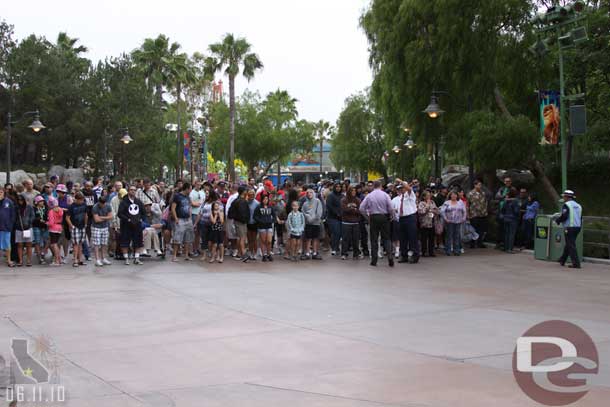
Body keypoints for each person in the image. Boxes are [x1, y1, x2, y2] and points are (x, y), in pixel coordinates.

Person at [359, 181, 394, 267]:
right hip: (384, 217)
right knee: (386, 238)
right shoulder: (385, 195)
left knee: (374, 239)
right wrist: (391, 215)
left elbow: (361, 208)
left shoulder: (369, 196)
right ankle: (390, 257)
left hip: (373, 217)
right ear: (381, 186)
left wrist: (367, 217)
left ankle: (374, 260)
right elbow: (391, 207)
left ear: (373, 186)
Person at [117, 185, 146, 265]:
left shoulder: (138, 202)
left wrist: (141, 219)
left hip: (137, 225)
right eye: (131, 190)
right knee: (125, 242)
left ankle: (137, 258)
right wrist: (127, 219)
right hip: (126, 226)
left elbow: (143, 213)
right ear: (128, 191)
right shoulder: (124, 202)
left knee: (138, 242)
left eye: (134, 190)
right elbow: (120, 214)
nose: (133, 191)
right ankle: (126, 258)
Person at [393, 181, 419, 264]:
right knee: (402, 238)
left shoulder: (411, 194)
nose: (401, 189)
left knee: (412, 238)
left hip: (410, 218)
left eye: (402, 187)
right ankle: (404, 255)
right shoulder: (400, 197)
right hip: (402, 218)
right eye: (400, 188)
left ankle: (415, 255)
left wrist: (401, 181)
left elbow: (408, 188)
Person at [555, 190, 582, 269]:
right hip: (577, 227)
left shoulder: (566, 205)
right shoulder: (578, 205)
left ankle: (576, 264)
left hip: (569, 228)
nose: (563, 197)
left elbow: (564, 216)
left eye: (564, 196)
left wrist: (558, 220)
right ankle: (562, 260)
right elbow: (580, 217)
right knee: (569, 243)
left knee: (571, 245)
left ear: (567, 197)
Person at [171, 182, 194, 262]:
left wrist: (190, 217)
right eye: (190, 189)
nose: (191, 190)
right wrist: (176, 218)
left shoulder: (188, 197)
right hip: (180, 219)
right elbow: (173, 208)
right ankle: (174, 255)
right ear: (187, 188)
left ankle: (186, 255)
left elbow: (190, 206)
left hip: (188, 219)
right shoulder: (177, 196)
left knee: (188, 238)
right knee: (177, 237)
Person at [440, 191, 467, 256]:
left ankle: (456, 250)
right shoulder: (447, 203)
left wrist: (463, 218)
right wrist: (445, 218)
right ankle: (448, 250)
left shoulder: (460, 203)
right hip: (449, 222)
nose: (454, 196)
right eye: (452, 195)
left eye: (455, 195)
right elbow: (442, 211)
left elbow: (464, 211)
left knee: (457, 236)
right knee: (449, 236)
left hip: (458, 222)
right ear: (450, 196)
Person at [66, 192, 88, 267]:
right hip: (75, 226)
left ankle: (80, 259)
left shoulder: (84, 205)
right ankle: (75, 259)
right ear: (76, 199)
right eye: (80, 200)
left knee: (81, 243)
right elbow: (67, 218)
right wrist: (71, 226)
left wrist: (85, 224)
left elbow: (85, 215)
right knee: (75, 244)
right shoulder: (72, 206)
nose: (82, 201)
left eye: (82, 200)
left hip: (82, 226)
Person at [301, 188, 324, 260]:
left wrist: (313, 218)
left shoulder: (317, 201)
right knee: (308, 238)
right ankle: (307, 253)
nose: (309, 194)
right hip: (308, 223)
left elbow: (319, 212)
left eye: (311, 192)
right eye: (307, 193)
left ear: (313, 193)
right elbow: (303, 212)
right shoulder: (305, 203)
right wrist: (307, 217)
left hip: (316, 223)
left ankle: (315, 253)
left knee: (315, 238)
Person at [229, 186, 250, 261]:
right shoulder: (240, 201)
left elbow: (230, 212)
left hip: (240, 221)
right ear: (243, 192)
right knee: (242, 237)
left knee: (241, 237)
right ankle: (243, 254)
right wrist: (243, 219)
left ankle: (239, 254)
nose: (246, 191)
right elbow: (242, 213)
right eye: (245, 190)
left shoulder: (238, 200)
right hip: (240, 222)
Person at [91, 196, 113, 267]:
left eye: (104, 203)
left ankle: (104, 258)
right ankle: (97, 259)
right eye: (101, 203)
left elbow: (111, 217)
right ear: (99, 202)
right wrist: (106, 218)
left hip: (105, 227)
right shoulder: (95, 207)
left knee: (104, 243)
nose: (103, 205)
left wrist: (101, 217)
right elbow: (96, 220)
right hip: (96, 227)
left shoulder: (108, 206)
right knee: (96, 244)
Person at [340, 186, 361, 260]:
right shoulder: (344, 200)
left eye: (355, 191)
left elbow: (360, 210)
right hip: (346, 222)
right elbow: (345, 209)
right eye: (352, 191)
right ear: (349, 191)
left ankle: (356, 254)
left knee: (356, 239)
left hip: (355, 223)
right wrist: (354, 210)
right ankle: (344, 254)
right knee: (345, 239)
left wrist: (352, 210)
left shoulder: (358, 200)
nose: (353, 192)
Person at [417, 190, 440, 257]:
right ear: (424, 197)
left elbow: (437, 210)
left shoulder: (432, 202)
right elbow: (421, 212)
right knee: (424, 238)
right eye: (427, 195)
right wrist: (427, 206)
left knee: (431, 238)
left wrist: (434, 211)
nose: (429, 196)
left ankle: (431, 251)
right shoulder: (421, 203)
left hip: (432, 222)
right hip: (424, 223)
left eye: (429, 195)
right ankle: (424, 251)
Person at [14, 194, 35, 267]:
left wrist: (29, 222)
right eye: (19, 200)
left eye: (22, 200)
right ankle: (20, 260)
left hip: (28, 228)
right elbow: (14, 217)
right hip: (19, 228)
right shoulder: (16, 208)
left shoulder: (29, 207)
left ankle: (29, 260)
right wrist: (16, 224)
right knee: (20, 245)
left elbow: (32, 216)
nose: (20, 201)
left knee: (29, 244)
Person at [467, 180, 488, 249]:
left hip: (482, 213)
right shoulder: (470, 193)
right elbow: (468, 204)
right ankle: (472, 243)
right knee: (473, 229)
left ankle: (480, 242)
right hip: (474, 213)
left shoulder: (483, 193)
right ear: (475, 185)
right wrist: (468, 213)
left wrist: (485, 211)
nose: (480, 186)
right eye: (478, 185)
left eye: (480, 185)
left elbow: (485, 202)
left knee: (481, 229)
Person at [254, 194, 274, 261]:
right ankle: (264, 255)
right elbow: (255, 216)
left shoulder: (270, 207)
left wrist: (272, 220)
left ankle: (268, 254)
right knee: (263, 240)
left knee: (269, 240)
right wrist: (260, 221)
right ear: (262, 200)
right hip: (262, 226)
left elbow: (274, 215)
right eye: (264, 199)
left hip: (269, 225)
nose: (265, 200)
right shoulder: (258, 207)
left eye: (267, 199)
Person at [494, 177, 512, 249]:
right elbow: (497, 196)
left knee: (506, 229)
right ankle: (499, 243)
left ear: (511, 182)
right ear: (504, 182)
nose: (507, 182)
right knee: (499, 228)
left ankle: (505, 244)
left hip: (508, 211)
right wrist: (504, 197)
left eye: (509, 181)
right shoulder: (501, 189)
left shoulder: (512, 189)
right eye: (506, 181)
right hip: (500, 210)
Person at [325, 182, 343, 256]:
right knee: (335, 232)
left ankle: (336, 247)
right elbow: (329, 206)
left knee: (340, 233)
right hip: (332, 217)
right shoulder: (331, 196)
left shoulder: (342, 196)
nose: (338, 188)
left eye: (339, 187)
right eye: (337, 187)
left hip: (341, 217)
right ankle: (334, 248)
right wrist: (336, 213)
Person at [0, 188, 16, 267]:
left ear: (4, 193)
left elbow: (13, 215)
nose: (0, 193)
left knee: (7, 245)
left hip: (6, 227)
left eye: (1, 192)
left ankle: (9, 260)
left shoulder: (9, 202)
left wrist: (10, 225)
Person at [501, 188, 520, 253]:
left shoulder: (506, 201)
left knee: (506, 233)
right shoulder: (516, 201)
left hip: (506, 218)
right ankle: (510, 249)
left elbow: (502, 209)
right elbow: (516, 211)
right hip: (513, 219)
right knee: (512, 234)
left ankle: (505, 248)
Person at [189, 180, 205, 256]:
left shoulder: (202, 192)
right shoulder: (191, 193)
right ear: (194, 184)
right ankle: (193, 249)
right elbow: (191, 203)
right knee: (194, 232)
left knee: (199, 233)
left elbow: (204, 201)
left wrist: (199, 204)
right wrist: (197, 204)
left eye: (200, 184)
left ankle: (197, 248)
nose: (198, 186)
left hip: (201, 214)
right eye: (197, 184)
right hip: (194, 214)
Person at [32, 195, 49, 264]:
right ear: (36, 202)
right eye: (40, 201)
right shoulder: (34, 209)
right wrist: (38, 219)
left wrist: (47, 221)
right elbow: (32, 218)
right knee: (37, 242)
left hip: (45, 227)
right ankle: (40, 257)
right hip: (37, 226)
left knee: (46, 241)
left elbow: (49, 217)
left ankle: (43, 253)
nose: (42, 202)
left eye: (42, 201)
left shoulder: (46, 208)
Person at [46, 197, 63, 266]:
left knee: (54, 244)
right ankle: (59, 259)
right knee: (56, 244)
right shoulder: (60, 210)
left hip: (53, 228)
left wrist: (46, 223)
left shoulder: (51, 211)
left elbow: (51, 223)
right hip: (59, 228)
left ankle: (56, 261)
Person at [246, 189, 259, 261]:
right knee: (249, 239)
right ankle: (251, 252)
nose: (251, 196)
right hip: (248, 223)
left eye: (252, 194)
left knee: (254, 239)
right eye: (250, 194)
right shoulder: (246, 202)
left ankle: (255, 253)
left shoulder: (257, 203)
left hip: (254, 223)